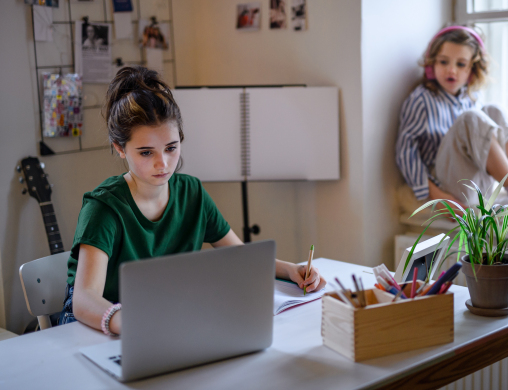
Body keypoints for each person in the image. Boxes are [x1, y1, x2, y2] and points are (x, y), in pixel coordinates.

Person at [59, 66, 326, 334]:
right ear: (120, 148)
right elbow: (84, 300)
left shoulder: (192, 193)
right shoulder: (103, 208)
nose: (162, 163)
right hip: (98, 324)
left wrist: (291, 270)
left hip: (160, 318)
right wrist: (127, 323)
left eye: (171, 148)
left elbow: (239, 255)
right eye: (145, 152)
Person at [395, 26, 508, 215]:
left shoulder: (471, 98)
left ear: (471, 69)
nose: (451, 70)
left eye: (461, 64)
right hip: (444, 184)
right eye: (443, 62)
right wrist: (439, 198)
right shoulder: (421, 99)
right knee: (472, 117)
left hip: (473, 182)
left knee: (493, 110)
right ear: (432, 65)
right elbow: (406, 153)